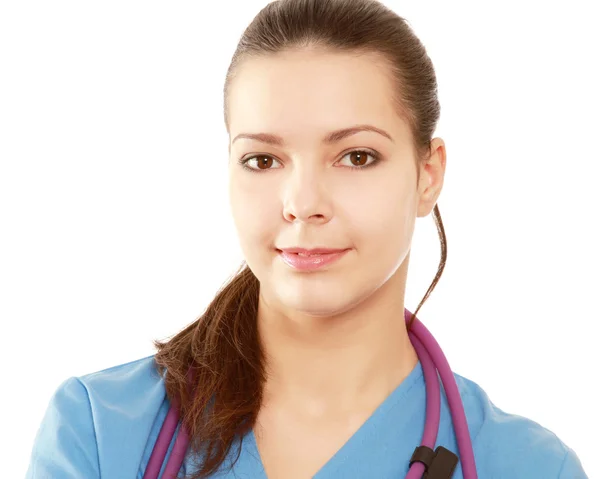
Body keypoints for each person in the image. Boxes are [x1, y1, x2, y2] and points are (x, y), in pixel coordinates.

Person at [26, 0, 588, 478]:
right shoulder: (98, 432)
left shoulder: (526, 465)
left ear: (428, 174)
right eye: (263, 159)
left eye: (356, 156)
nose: (302, 203)